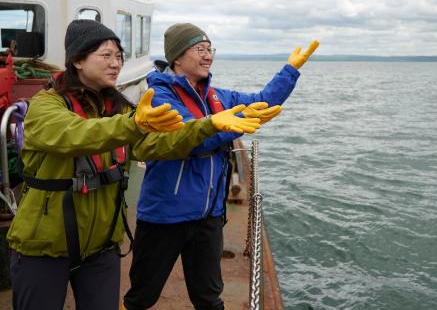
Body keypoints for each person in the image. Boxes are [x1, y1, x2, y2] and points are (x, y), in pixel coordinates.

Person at [7, 19, 266, 310]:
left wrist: (207, 126)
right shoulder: (46, 105)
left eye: (119, 56)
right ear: (77, 60)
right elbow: (75, 135)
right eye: (106, 55)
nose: (116, 63)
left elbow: (157, 145)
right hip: (44, 245)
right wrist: (134, 124)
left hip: (101, 248)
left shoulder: (119, 108)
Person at [123, 23, 319, 310]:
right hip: (165, 216)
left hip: (209, 215)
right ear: (177, 57)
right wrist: (224, 125)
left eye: (209, 49)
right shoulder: (159, 96)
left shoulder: (217, 98)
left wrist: (290, 70)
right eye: (200, 49)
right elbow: (189, 138)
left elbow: (262, 102)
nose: (208, 56)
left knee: (209, 298)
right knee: (142, 296)